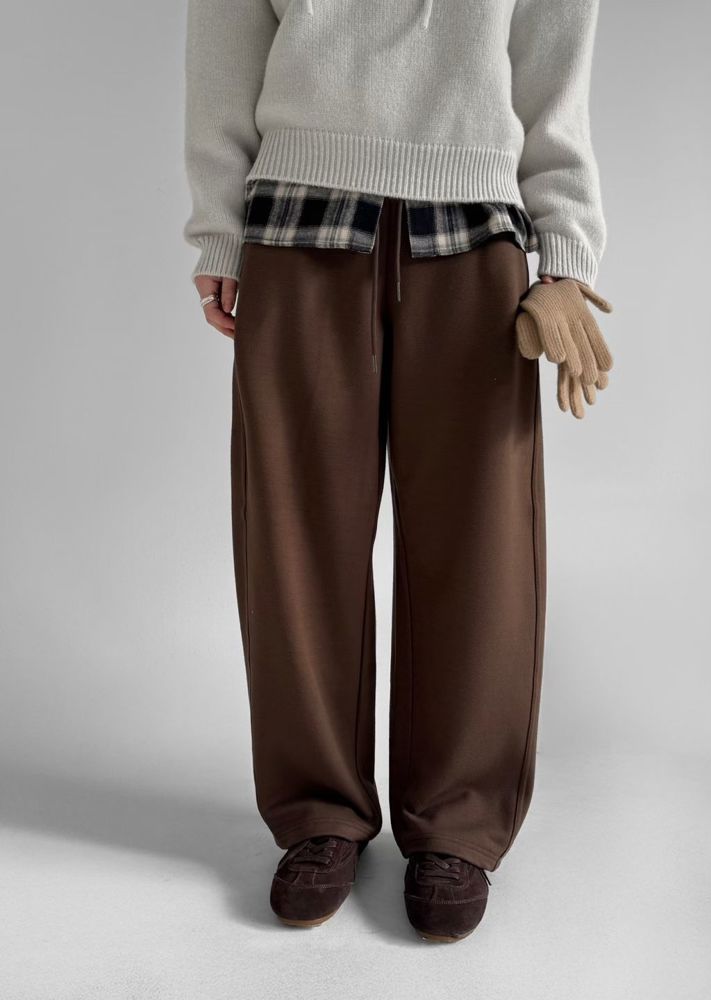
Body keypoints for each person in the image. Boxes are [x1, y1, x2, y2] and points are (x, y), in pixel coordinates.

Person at [182, 0, 610, 942]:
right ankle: (318, 812)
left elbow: (556, 67)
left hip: (475, 234)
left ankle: (456, 821)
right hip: (297, 222)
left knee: (482, 544)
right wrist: (218, 223)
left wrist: (566, 254)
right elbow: (224, 34)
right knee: (294, 539)